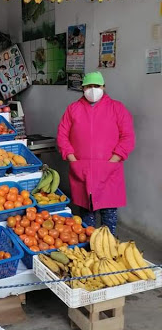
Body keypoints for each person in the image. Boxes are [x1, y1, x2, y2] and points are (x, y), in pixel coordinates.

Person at [56, 71, 135, 235]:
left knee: (109, 216)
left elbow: (127, 137)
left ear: (104, 87)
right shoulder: (73, 109)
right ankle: (88, 251)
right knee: (86, 219)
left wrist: (113, 160)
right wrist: (73, 160)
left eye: (97, 86)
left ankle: (108, 248)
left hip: (109, 170)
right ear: (83, 88)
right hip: (82, 170)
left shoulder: (117, 108)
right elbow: (62, 136)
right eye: (89, 86)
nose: (93, 90)